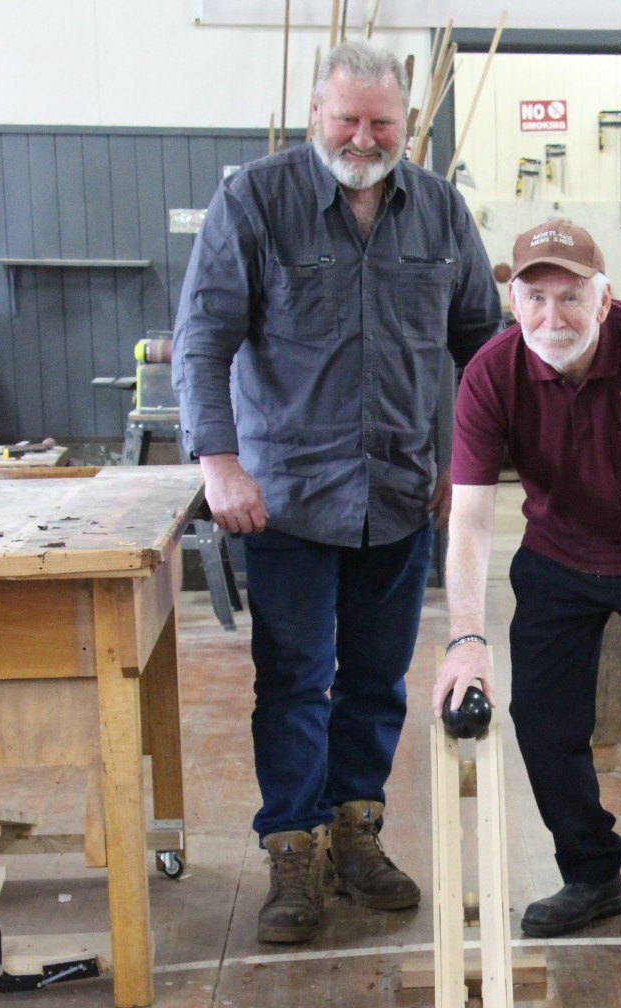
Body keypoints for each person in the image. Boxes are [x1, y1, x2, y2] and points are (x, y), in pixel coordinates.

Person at [173, 41, 502, 944]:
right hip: (283, 496)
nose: (364, 139)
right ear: (318, 114)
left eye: (382, 124)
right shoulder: (255, 202)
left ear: (407, 124)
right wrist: (219, 462)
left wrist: (469, 460)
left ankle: (356, 834)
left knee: (379, 680)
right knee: (293, 679)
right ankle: (292, 847)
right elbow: (201, 342)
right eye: (349, 120)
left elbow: (486, 348)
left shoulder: (438, 212)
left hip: (400, 492)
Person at [431, 219, 621, 965]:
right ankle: (592, 872)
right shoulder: (493, 374)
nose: (552, 316)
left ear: (604, 301)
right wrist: (466, 638)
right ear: (513, 300)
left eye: (571, 298)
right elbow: (468, 517)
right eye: (536, 298)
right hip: (560, 558)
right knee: (541, 719)